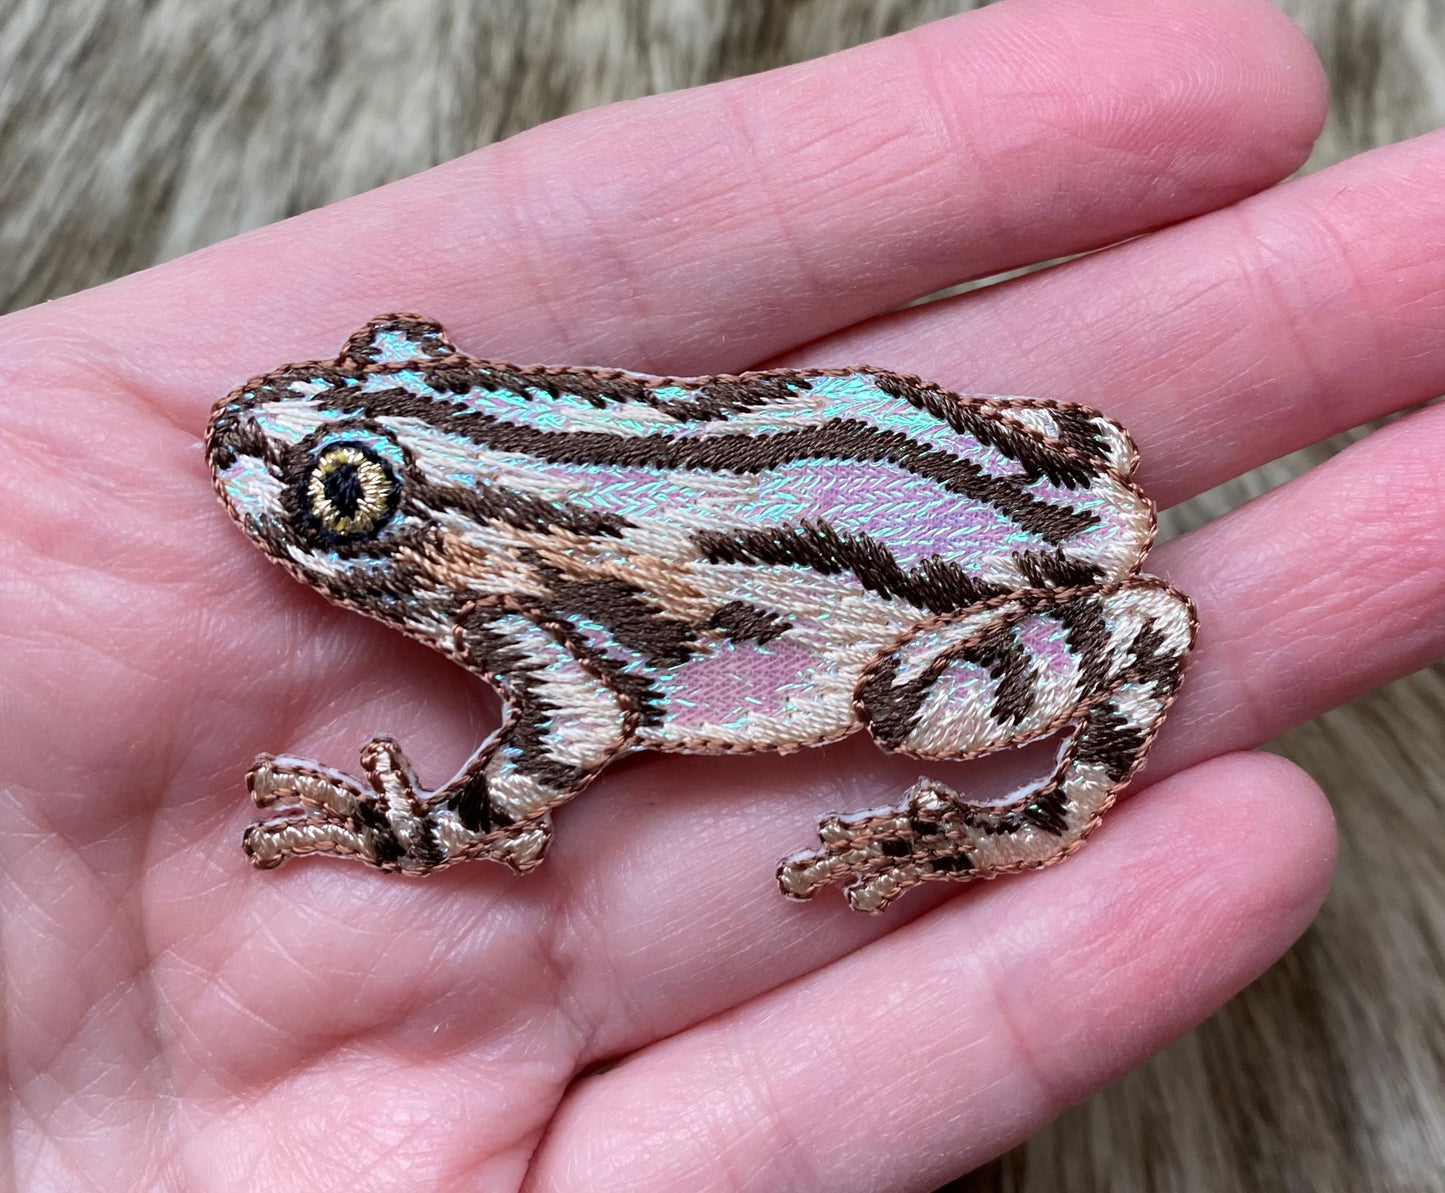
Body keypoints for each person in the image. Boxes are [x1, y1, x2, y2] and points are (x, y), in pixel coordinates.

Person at [0, 0, 1432, 1186]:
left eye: (348, 496)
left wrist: (425, 827)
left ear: (437, 533)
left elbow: (569, 721)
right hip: (988, 470)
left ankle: (1036, 811)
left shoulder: (521, 597)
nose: (260, 450)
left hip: (928, 608)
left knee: (934, 709)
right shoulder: (553, 475)